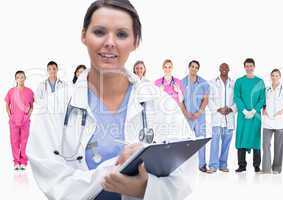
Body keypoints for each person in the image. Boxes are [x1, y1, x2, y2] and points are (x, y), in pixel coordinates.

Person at [27, 1, 197, 200]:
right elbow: (52, 179)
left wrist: (145, 188)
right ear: (84, 36)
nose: (110, 42)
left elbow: (185, 174)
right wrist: (117, 172)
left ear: (135, 42)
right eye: (99, 32)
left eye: (122, 34)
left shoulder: (159, 103)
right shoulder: (53, 106)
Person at [234, 58, 266, 173]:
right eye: (247, 66)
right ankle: (241, 165)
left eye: (251, 66)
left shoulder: (260, 82)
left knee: (255, 139)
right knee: (241, 138)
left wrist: (253, 111)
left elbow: (262, 98)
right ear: (244, 67)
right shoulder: (239, 81)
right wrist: (244, 111)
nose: (249, 68)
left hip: (255, 116)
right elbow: (237, 97)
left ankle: (257, 166)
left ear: (254, 66)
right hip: (243, 117)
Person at [181, 60, 209, 172]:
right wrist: (186, 113)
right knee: (184, 141)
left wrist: (198, 113)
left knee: (201, 140)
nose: (194, 69)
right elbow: (180, 101)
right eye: (192, 66)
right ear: (189, 67)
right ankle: (182, 166)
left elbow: (205, 100)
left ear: (198, 69)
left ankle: (202, 165)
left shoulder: (203, 83)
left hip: (200, 117)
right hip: (186, 116)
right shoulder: (182, 82)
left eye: (196, 67)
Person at [207, 63, 235, 173]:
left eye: (226, 68)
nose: (224, 69)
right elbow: (208, 99)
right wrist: (218, 109)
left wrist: (231, 108)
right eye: (222, 67)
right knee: (215, 142)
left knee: (226, 143)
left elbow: (237, 98)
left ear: (229, 69)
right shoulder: (212, 83)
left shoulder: (233, 83)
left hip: (229, 116)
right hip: (217, 117)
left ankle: (223, 165)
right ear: (219, 69)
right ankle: (213, 165)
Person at [262, 69, 283, 174]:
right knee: (265, 145)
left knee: (278, 146)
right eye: (273, 75)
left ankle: (276, 169)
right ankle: (266, 169)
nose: (274, 77)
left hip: (280, 122)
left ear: (280, 77)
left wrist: (281, 112)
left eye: (277, 75)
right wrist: (264, 109)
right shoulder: (266, 89)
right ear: (270, 77)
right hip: (267, 122)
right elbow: (263, 102)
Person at [5, 70, 34, 170]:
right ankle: (16, 162)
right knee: (14, 141)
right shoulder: (11, 91)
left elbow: (31, 106)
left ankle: (23, 161)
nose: (20, 79)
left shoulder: (29, 91)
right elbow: (7, 105)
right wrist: (10, 117)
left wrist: (28, 116)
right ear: (15, 79)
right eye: (18, 77)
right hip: (14, 121)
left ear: (25, 78)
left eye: (22, 77)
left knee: (24, 141)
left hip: (25, 121)